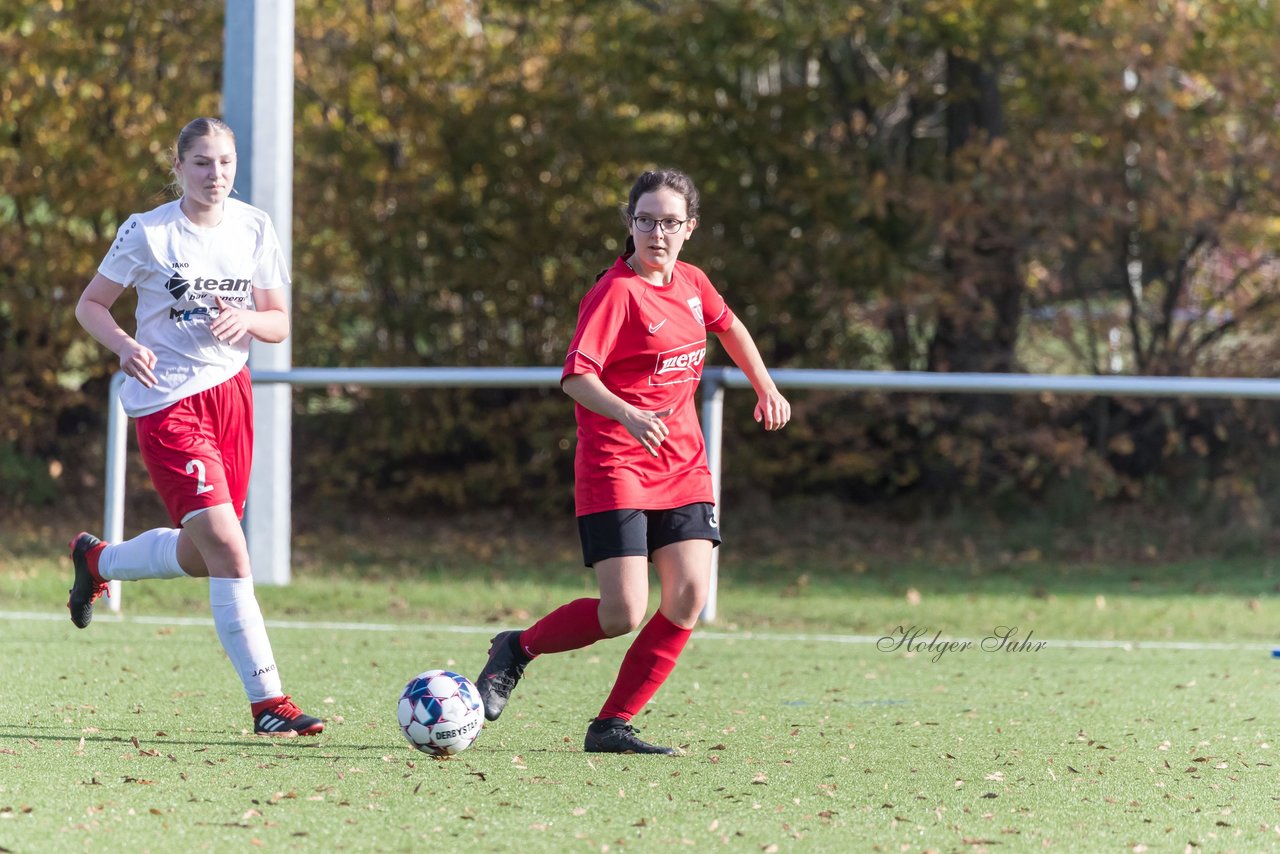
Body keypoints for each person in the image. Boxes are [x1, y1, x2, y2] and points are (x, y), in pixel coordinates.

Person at [476, 169, 791, 754]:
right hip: (616, 463)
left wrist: (765, 385)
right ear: (630, 224)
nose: (657, 232)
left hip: (683, 466)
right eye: (645, 220)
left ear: (689, 229)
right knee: (623, 610)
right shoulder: (616, 291)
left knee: (690, 594)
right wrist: (626, 413)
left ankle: (612, 724)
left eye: (670, 222)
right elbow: (576, 378)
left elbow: (730, 326)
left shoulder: (693, 283)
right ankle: (516, 649)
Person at [68, 117, 323, 736]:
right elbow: (90, 305)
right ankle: (270, 705)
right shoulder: (149, 232)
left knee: (207, 553)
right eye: (203, 163)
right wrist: (126, 347)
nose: (216, 175)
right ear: (178, 167)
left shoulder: (254, 225)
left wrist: (249, 320)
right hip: (167, 402)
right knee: (231, 548)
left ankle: (98, 562)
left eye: (226, 163)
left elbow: (279, 322)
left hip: (231, 397)